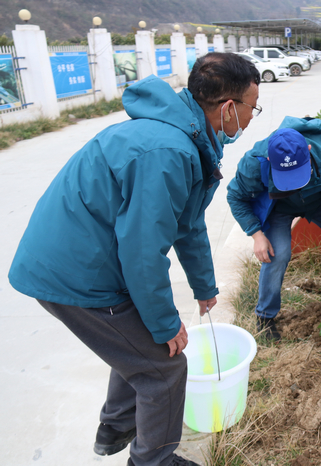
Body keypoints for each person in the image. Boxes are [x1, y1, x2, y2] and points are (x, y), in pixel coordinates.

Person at [8, 53, 261, 466]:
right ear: (229, 107)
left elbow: (188, 222)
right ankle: (152, 461)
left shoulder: (183, 135)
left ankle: (116, 426)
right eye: (253, 107)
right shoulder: (168, 150)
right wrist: (165, 324)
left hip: (83, 261)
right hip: (77, 274)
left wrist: (204, 287)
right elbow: (143, 252)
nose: (253, 117)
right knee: (164, 369)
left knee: (138, 347)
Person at [227, 117, 321, 341]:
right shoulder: (254, 161)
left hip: (319, 202)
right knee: (276, 255)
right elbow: (235, 197)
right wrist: (256, 235)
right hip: (280, 208)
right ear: (270, 159)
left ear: (308, 151)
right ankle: (265, 316)